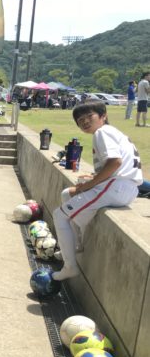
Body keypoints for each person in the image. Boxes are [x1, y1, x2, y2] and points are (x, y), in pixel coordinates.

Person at [52, 101, 143, 281]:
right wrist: (93, 177)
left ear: (103, 116)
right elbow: (116, 164)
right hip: (123, 187)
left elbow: (115, 162)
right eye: (80, 120)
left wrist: (90, 184)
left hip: (116, 187)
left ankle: (70, 267)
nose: (85, 122)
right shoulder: (112, 132)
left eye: (89, 116)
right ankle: (75, 245)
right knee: (67, 194)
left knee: (59, 215)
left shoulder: (102, 132)